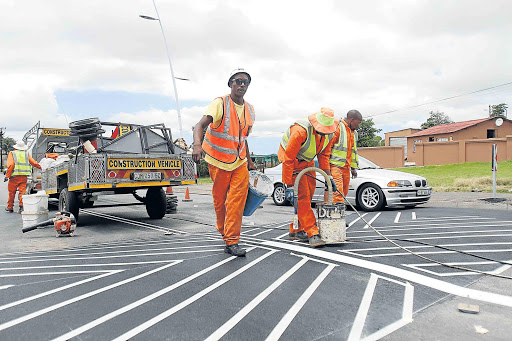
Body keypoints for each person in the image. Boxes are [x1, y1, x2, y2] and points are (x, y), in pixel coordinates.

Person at [192, 68, 256, 257]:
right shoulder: (220, 103)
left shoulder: (250, 109)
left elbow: (243, 138)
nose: (242, 84)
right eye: (238, 81)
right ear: (230, 84)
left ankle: (232, 240)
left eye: (245, 82)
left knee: (236, 202)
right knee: (221, 202)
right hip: (218, 160)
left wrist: (250, 161)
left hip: (239, 162)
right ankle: (224, 231)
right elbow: (200, 125)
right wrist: (197, 145)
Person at [278, 107, 339, 247]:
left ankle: (295, 230)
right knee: (302, 197)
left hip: (307, 162)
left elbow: (323, 155)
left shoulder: (329, 133)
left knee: (309, 193)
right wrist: (288, 185)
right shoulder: (300, 131)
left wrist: (328, 177)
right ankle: (312, 232)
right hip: (292, 161)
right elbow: (288, 159)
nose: (324, 132)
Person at [329, 110, 362, 203]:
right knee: (337, 193)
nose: (358, 125)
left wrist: (353, 168)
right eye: (358, 122)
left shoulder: (353, 133)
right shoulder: (338, 128)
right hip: (335, 167)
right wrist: (327, 169)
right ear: (351, 120)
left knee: (344, 192)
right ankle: (336, 216)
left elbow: (352, 152)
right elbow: (328, 148)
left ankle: (338, 212)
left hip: (346, 168)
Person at [4, 141, 41, 213]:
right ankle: (21, 206)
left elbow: (10, 165)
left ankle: (10, 207)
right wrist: (40, 167)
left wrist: (7, 176)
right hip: (24, 176)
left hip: (14, 176)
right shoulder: (26, 154)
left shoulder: (12, 153)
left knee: (12, 192)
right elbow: (33, 163)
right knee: (22, 192)